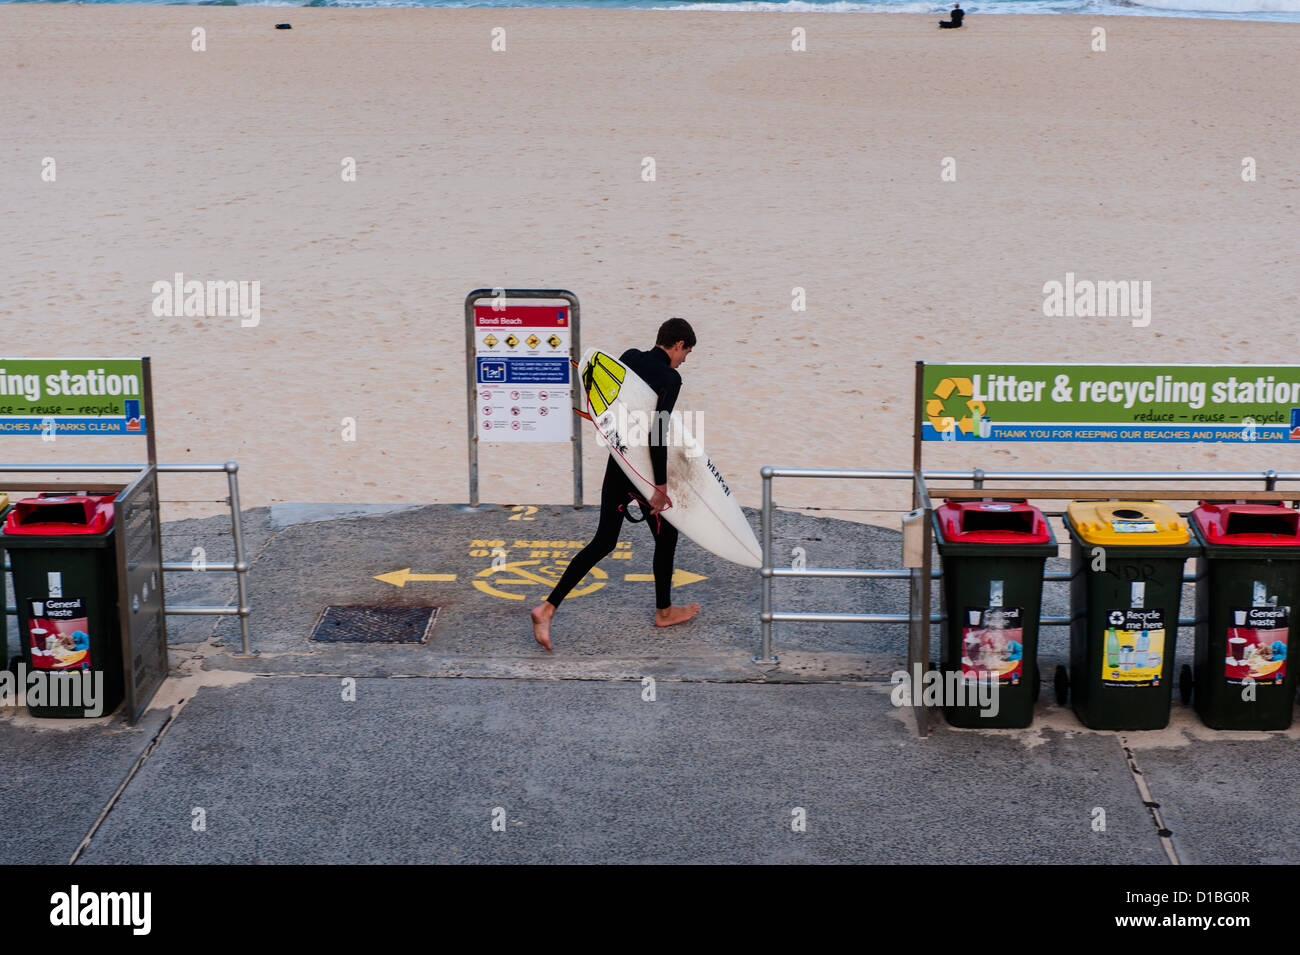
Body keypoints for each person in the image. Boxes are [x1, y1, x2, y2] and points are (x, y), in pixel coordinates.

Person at [530, 318, 701, 650]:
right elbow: (657, 433)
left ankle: (547, 608)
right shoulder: (670, 378)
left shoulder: (630, 357)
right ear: (677, 344)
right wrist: (659, 487)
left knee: (604, 541)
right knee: (667, 536)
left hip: (619, 462)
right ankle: (663, 612)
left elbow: (607, 406)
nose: (685, 360)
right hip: (643, 472)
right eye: (687, 352)